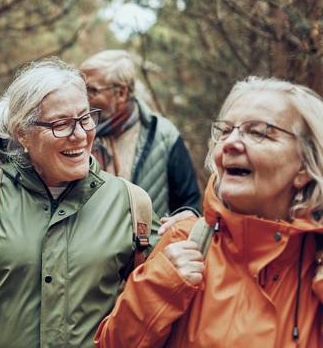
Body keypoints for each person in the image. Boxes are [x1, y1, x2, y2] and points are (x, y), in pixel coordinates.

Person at [0, 58, 163, 347]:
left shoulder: (131, 204)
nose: (79, 135)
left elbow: (162, 297)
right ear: (23, 133)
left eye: (85, 118)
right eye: (61, 124)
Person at [95, 77, 323, 347]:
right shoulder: (183, 242)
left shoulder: (316, 258)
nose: (230, 143)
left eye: (258, 132)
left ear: (303, 166)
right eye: (225, 131)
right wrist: (157, 290)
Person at [80, 50, 201, 216]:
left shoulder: (164, 135)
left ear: (121, 93)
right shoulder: (77, 132)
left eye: (92, 90)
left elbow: (189, 205)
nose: (83, 97)